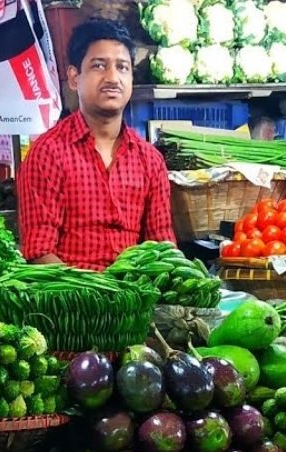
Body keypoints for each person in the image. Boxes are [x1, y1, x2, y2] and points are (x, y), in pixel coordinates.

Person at [16, 19, 174, 271]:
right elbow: (39, 252)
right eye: (99, 66)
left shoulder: (150, 160)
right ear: (74, 77)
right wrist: (99, 294)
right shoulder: (48, 153)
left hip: (135, 297)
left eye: (122, 67)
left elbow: (162, 246)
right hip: (71, 299)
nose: (113, 78)